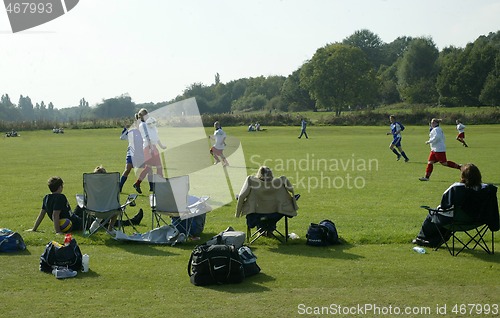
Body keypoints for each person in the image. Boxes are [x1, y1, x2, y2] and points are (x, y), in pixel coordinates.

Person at [413, 163, 489, 247]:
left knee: (433, 214)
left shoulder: (456, 187)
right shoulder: (487, 189)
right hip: (477, 220)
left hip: (455, 221)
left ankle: (421, 238)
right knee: (448, 217)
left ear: (463, 176)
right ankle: (436, 240)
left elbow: (444, 205)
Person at [236, 166, 299, 236]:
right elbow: (290, 191)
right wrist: (293, 201)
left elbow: (241, 196)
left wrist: (238, 213)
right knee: (275, 208)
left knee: (260, 210)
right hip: (274, 215)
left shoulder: (251, 181)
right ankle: (270, 230)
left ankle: (261, 230)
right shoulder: (280, 182)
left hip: (256, 215)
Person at [90, 165, 144, 233]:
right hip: (108, 210)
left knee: (105, 212)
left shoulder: (91, 186)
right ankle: (110, 229)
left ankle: (93, 227)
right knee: (116, 210)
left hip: (92, 211)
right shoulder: (110, 187)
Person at [132, 108, 167, 194]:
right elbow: (147, 136)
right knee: (149, 167)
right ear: (142, 117)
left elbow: (156, 135)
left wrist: (161, 145)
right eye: (145, 115)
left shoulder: (151, 123)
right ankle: (158, 185)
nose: (147, 116)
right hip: (148, 147)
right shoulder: (142, 125)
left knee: (157, 167)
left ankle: (139, 183)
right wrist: (151, 147)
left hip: (153, 147)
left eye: (147, 114)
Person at [119, 114, 150, 192]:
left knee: (148, 169)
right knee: (127, 170)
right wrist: (126, 128)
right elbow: (122, 137)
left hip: (140, 154)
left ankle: (138, 184)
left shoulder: (144, 133)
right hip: (131, 154)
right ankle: (119, 188)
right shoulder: (132, 131)